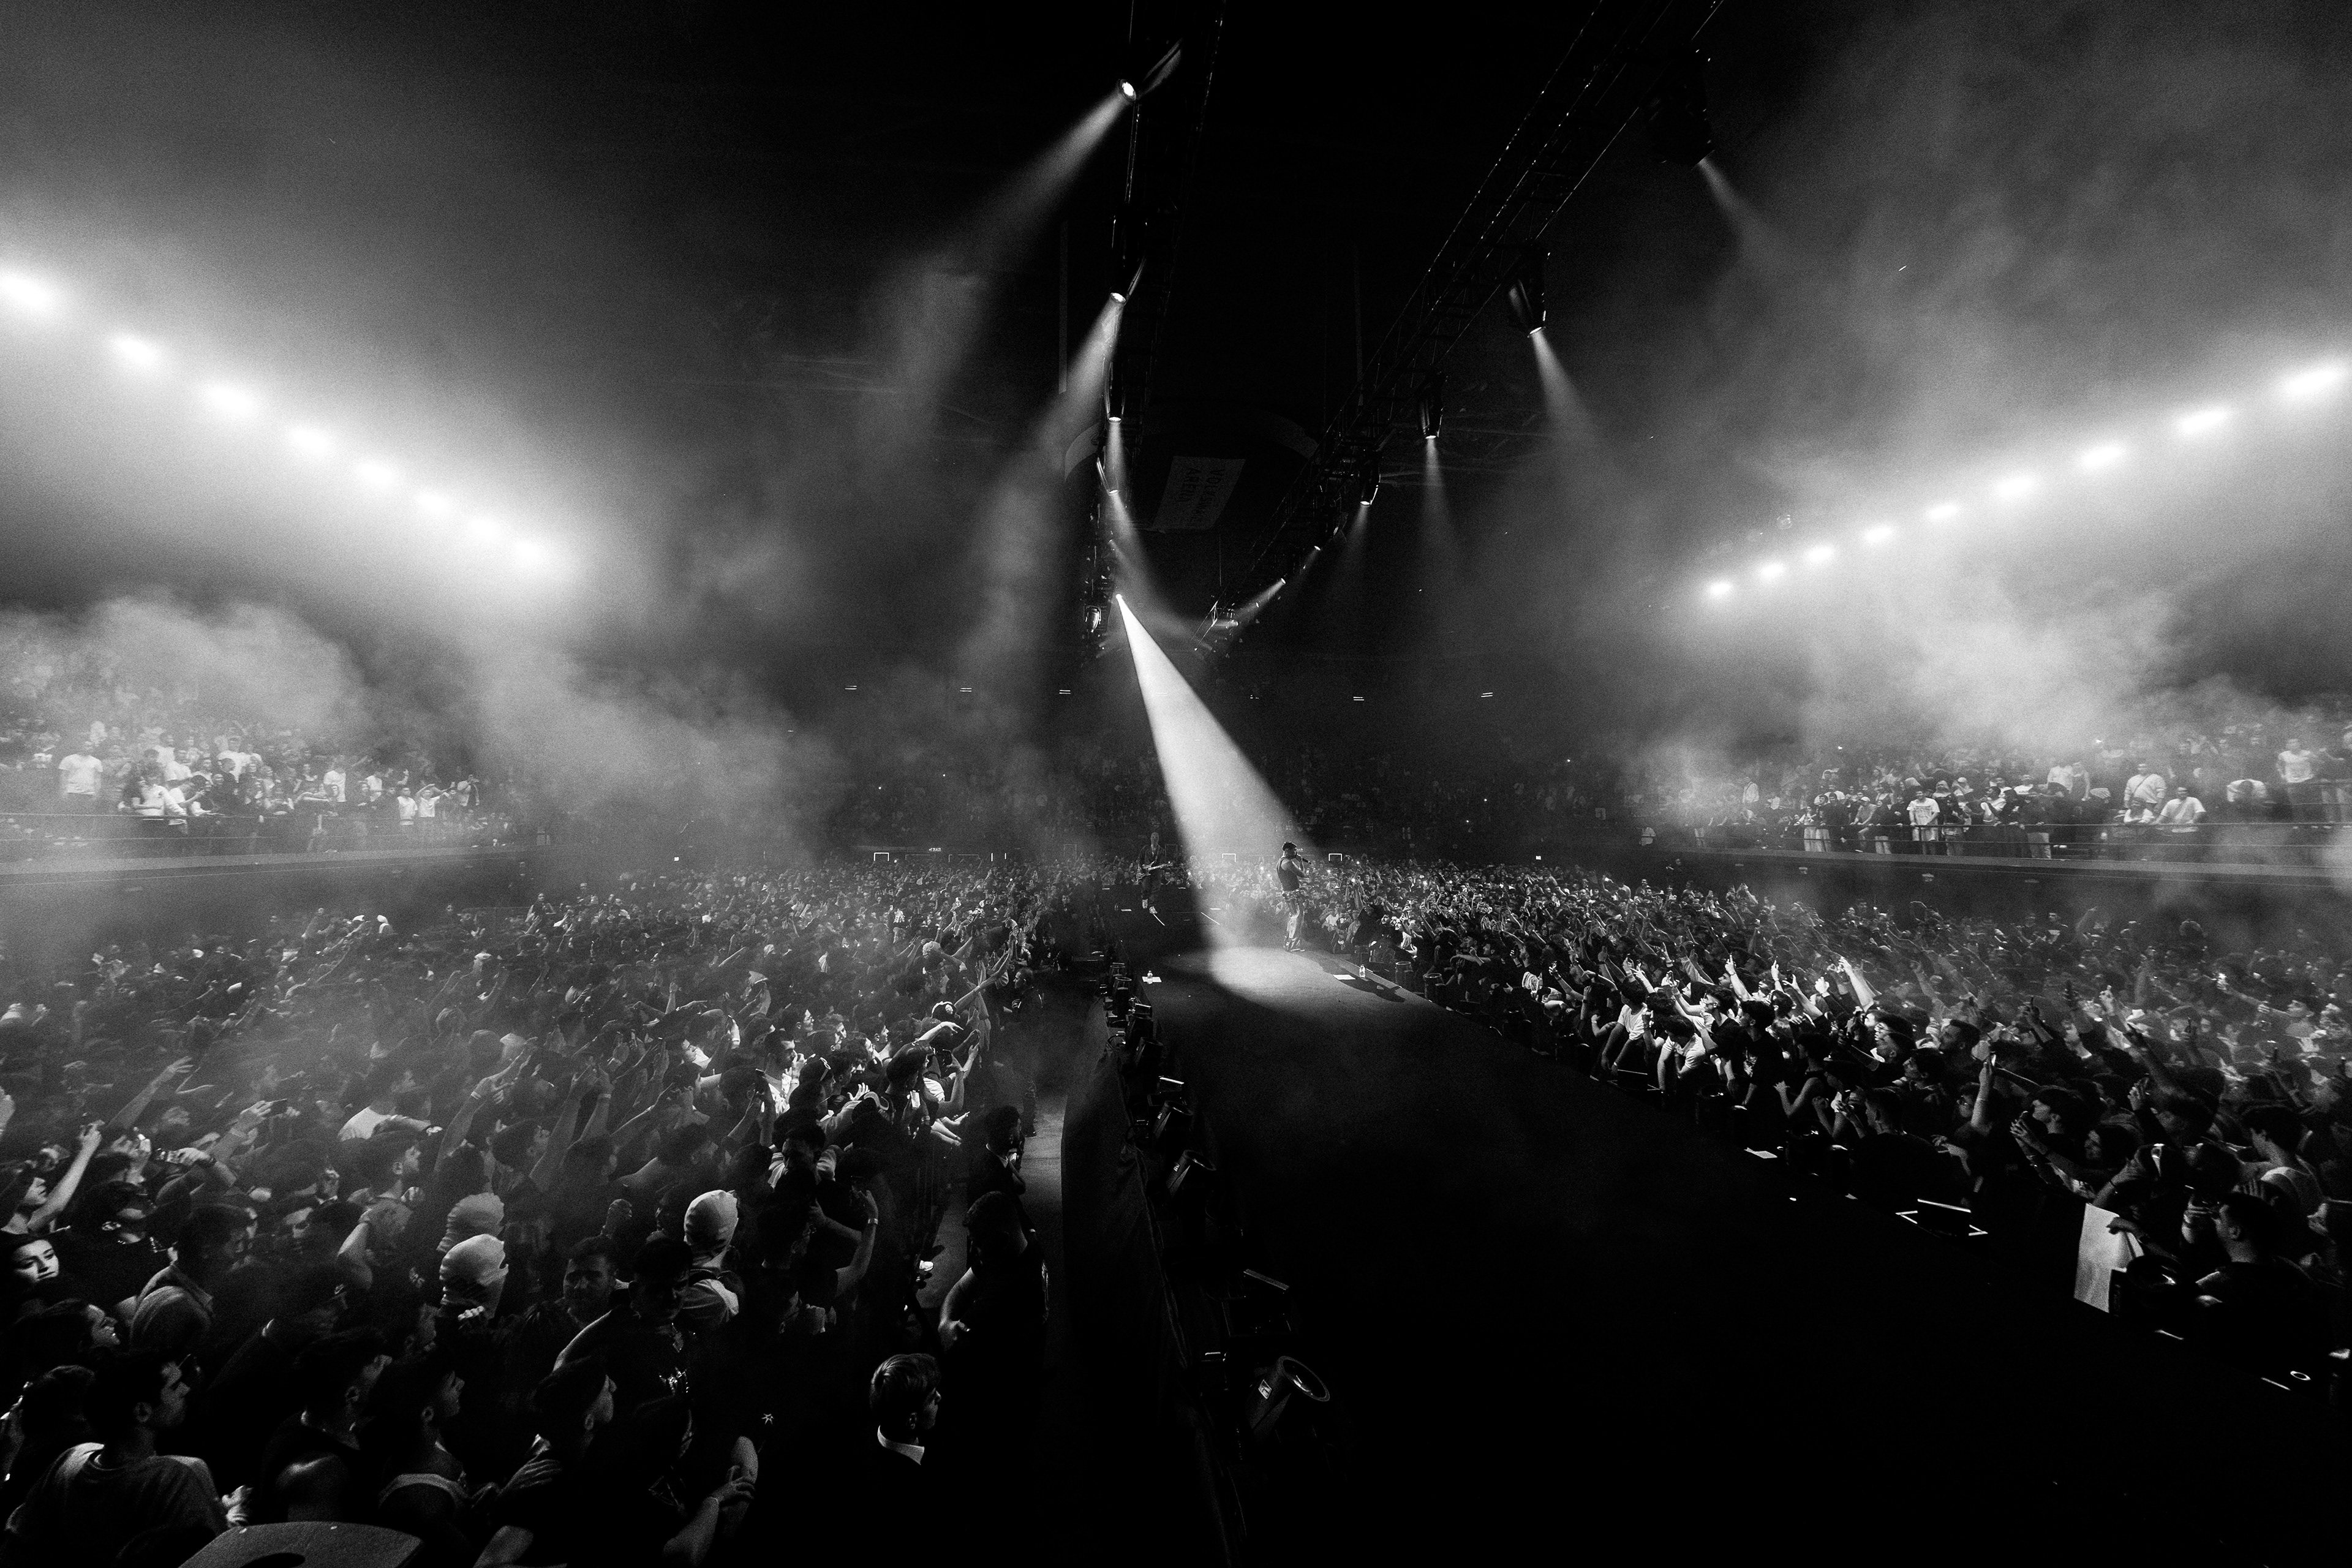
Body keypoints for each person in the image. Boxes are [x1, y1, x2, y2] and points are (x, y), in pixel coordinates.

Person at [0, 1351, 235, 1565]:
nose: (185, 1390)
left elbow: (18, 1539)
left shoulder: (71, 1458)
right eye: (174, 1387)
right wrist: (236, 1516)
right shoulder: (181, 1475)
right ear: (142, 1412)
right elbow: (218, 1556)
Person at [1276, 842, 1310, 951]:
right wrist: (1300, 862)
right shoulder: (1288, 862)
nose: (1296, 853)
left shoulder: (1280, 862)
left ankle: (1288, 944)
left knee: (1292, 918)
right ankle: (1294, 946)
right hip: (1293, 893)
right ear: (1287, 850)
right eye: (1294, 850)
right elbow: (1302, 874)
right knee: (1298, 918)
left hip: (1288, 892)